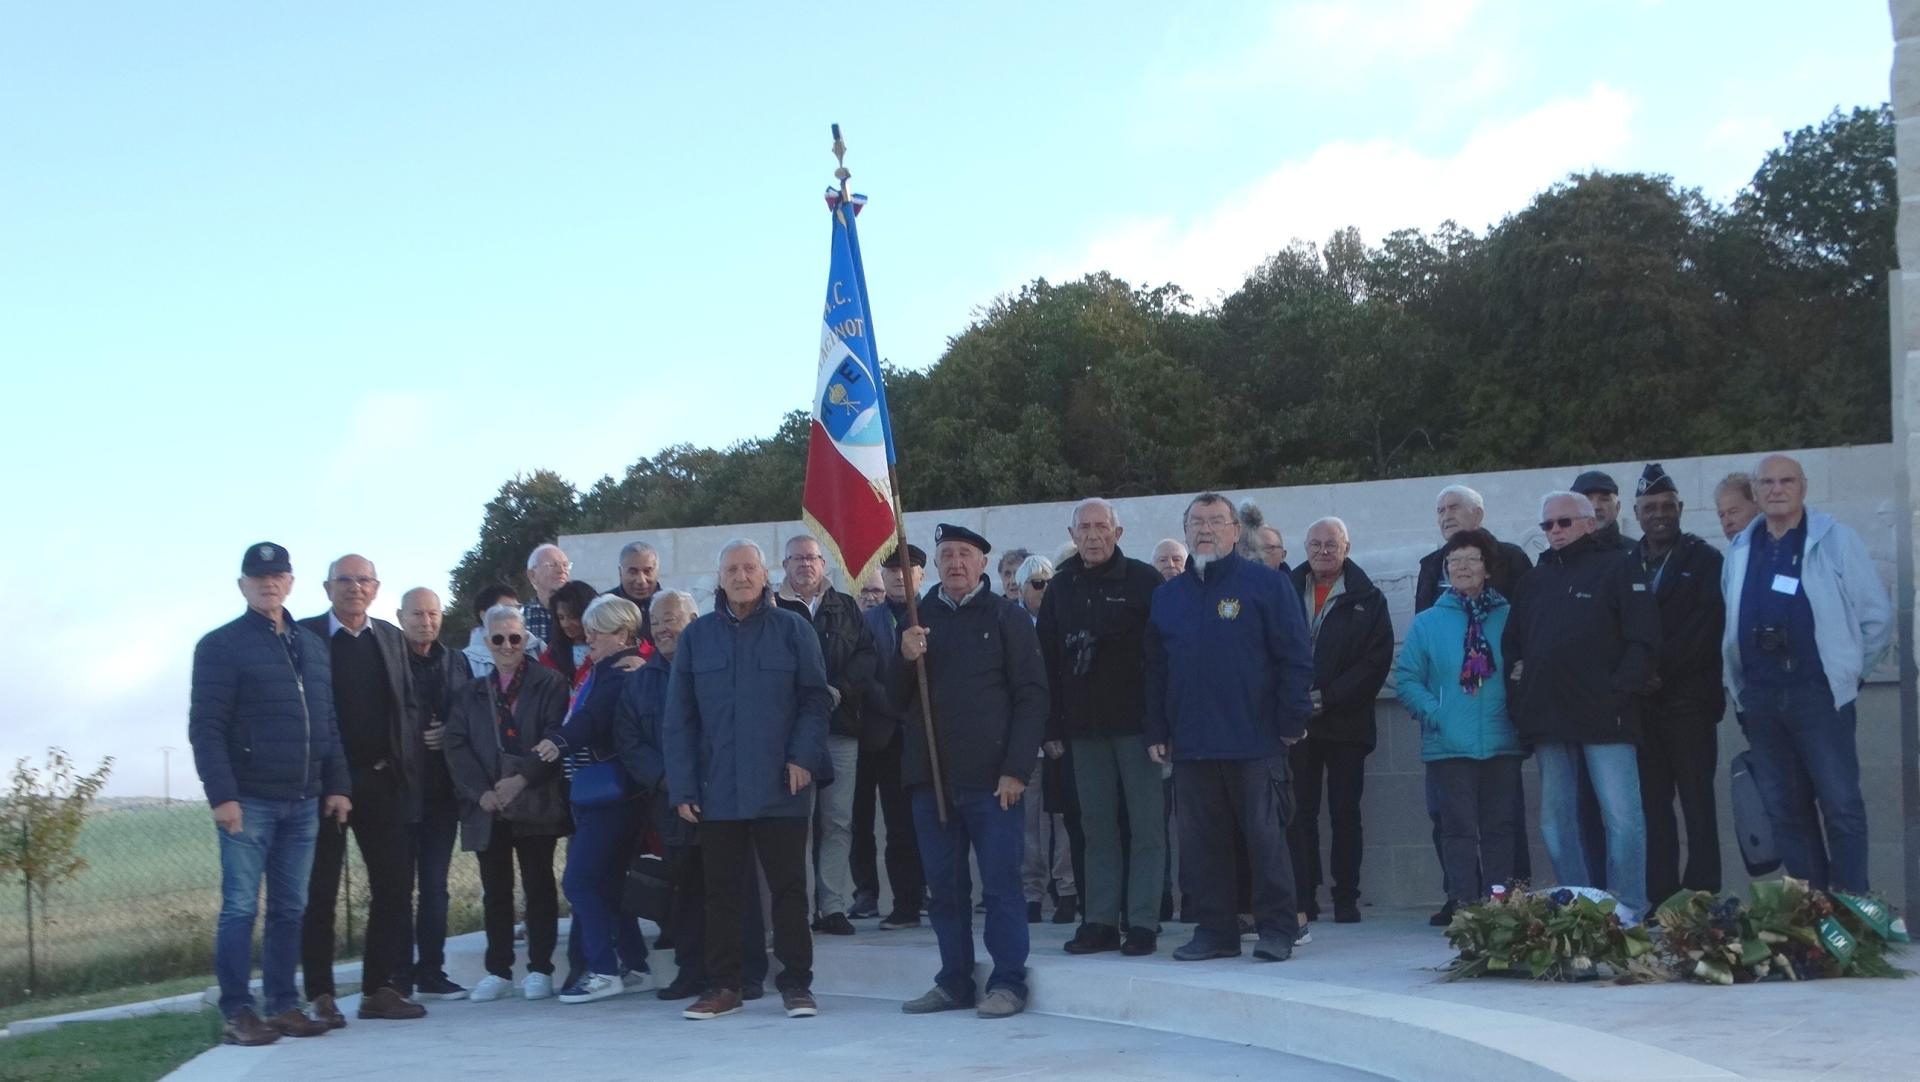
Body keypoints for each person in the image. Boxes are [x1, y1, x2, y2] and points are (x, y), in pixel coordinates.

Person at [666, 540, 831, 1022]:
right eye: (732, 569)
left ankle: (797, 985)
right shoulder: (696, 638)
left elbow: (815, 701)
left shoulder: (794, 630)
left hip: (783, 786)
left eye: (749, 568)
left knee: (789, 891)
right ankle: (724, 986)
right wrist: (684, 786)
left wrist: (804, 757)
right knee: (721, 893)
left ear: (765, 575)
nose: (741, 576)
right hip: (718, 790)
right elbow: (680, 719)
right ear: (720, 578)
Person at [190, 542, 347, 1046]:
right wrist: (222, 796)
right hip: (248, 801)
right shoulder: (220, 646)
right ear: (242, 585)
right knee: (239, 908)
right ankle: (238, 1012)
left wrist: (338, 785)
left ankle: (282, 1005)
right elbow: (206, 728)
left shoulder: (311, 645)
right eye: (258, 577)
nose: (268, 583)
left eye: (277, 575)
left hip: (303, 800)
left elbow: (328, 723)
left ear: (291, 582)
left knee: (289, 909)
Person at [1146, 492, 1313, 964]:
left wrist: (1291, 720)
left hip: (1256, 740)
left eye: (1216, 521)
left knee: (1266, 841)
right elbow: (1156, 670)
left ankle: (1277, 930)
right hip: (1193, 744)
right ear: (1185, 532)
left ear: (1235, 532)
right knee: (1202, 846)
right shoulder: (1167, 596)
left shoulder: (1266, 585)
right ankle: (1215, 931)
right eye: (1196, 522)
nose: (1205, 529)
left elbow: (1295, 658)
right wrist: (1157, 728)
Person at [895, 524, 1048, 1019]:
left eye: (965, 554)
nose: (956, 563)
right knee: (944, 889)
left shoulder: (1007, 618)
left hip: (993, 782)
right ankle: (954, 980)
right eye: (946, 555)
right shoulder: (918, 620)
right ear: (934, 565)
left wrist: (1016, 768)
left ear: (983, 563)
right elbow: (893, 700)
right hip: (933, 781)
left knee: (1002, 885)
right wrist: (903, 658)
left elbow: (1032, 697)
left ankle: (1007, 982)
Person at [1721, 454, 1891, 892]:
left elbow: (1876, 618)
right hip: (1761, 699)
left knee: (1841, 806)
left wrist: (1848, 677)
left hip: (1817, 697)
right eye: (1767, 483)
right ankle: (1811, 919)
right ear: (1755, 492)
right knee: (1785, 811)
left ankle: (1852, 913)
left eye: (1786, 481)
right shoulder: (1740, 549)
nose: (1777, 489)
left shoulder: (1835, 540)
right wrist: (1741, 692)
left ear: (1803, 487)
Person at [1503, 492, 1658, 923]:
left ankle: (1628, 905)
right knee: (1556, 821)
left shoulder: (1620, 566)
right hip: (1548, 718)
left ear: (1590, 523)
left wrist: (1617, 692)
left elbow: (1643, 639)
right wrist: (1521, 699)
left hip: (1606, 716)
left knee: (1622, 816)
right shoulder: (1534, 580)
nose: (1554, 531)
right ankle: (1578, 904)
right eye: (1547, 525)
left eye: (1564, 522)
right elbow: (1513, 647)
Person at [618, 590, 771, 1002]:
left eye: (674, 619)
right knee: (685, 892)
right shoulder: (639, 683)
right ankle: (692, 972)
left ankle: (749, 972)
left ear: (694, 620)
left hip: (722, 797)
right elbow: (630, 741)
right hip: (673, 803)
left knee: (737, 887)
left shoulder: (717, 668)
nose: (665, 628)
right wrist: (670, 780)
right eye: (658, 621)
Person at [298, 554, 426, 1024]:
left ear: (376, 588)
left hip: (380, 780)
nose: (355, 588)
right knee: (321, 891)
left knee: (394, 885)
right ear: (327, 587)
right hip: (323, 784)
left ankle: (379, 989)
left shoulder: (390, 639)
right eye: (345, 580)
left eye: (363, 580)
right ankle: (321, 995)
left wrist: (402, 765)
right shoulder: (304, 636)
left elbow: (407, 707)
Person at [1038, 499, 1165, 957]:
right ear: (1072, 535)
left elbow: (1161, 661)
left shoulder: (1145, 583)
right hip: (1082, 731)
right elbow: (1047, 660)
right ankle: (1100, 921)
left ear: (1119, 532)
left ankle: (1144, 922)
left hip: (1138, 730)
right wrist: (1050, 726)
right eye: (1084, 528)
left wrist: (1160, 726)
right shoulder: (1060, 587)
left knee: (1147, 827)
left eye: (1101, 527)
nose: (1093, 536)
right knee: (1096, 829)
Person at [442, 603, 570, 1002]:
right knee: (495, 889)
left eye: (515, 638)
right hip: (489, 805)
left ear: (525, 640)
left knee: (539, 885)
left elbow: (554, 735)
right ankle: (497, 970)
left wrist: (521, 779)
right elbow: (455, 744)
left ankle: (540, 968)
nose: (507, 645)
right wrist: (481, 791)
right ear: (485, 640)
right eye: (498, 638)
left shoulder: (550, 683)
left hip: (535, 800)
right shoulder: (471, 692)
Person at [1393, 528, 1523, 915]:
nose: (1463, 568)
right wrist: (1437, 714)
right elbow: (1407, 678)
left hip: (1502, 740)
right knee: (1458, 831)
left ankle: (1500, 908)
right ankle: (1465, 906)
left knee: (1501, 831)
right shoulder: (1428, 622)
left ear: (1488, 567)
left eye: (1471, 559)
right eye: (1455, 561)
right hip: (1449, 742)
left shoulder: (1510, 616)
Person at [532, 595, 654, 1004]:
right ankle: (634, 964)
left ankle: (603, 970)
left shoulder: (618, 673)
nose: (588, 637)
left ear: (621, 633)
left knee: (581, 881)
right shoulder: (607, 668)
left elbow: (593, 718)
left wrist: (558, 741)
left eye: (597, 630)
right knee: (607, 882)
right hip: (610, 793)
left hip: (610, 795)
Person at [1287, 517, 1392, 932]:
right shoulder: (1286, 589)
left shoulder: (1369, 597)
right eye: (1315, 543)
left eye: (1332, 544)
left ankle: (1346, 895)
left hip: (1346, 723)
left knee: (1345, 812)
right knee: (1300, 813)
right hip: (1296, 724)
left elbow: (1375, 661)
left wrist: (1326, 697)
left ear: (1346, 548)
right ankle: (1304, 894)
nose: (1323, 551)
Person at [1630, 463, 1726, 902]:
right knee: (1653, 808)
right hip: (1642, 708)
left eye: (1667, 506)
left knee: (1697, 803)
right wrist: (1635, 676)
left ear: (1681, 508)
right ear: (1637, 513)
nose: (1659, 514)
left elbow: (1706, 629)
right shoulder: (1626, 562)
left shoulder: (1705, 560)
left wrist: (1656, 671)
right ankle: (1662, 897)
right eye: (1650, 507)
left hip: (1689, 701)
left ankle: (1702, 896)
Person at [775, 533, 878, 937]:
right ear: (784, 565)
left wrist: (839, 690)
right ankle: (798, 909)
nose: (804, 564)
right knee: (797, 823)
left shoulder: (845, 606)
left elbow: (866, 657)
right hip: (792, 734)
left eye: (812, 558)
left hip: (840, 728)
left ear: (824, 564)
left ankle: (832, 906)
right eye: (796, 558)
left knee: (838, 821)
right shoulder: (772, 607)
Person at [393, 587, 469, 1001]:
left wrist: (450, 732)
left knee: (436, 887)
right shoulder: (387, 660)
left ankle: (432, 971)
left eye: (433, 613)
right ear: (400, 616)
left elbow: (471, 714)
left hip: (442, 793)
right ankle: (399, 974)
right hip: (398, 792)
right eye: (418, 614)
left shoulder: (456, 662)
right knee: (398, 888)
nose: (426, 621)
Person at [854, 545, 929, 931]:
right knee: (898, 826)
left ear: (921, 575)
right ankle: (905, 904)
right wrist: (899, 708)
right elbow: (866, 676)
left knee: (934, 821)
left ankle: (936, 894)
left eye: (910, 568)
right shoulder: (868, 623)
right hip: (887, 736)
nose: (901, 575)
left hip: (932, 736)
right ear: (882, 578)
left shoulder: (934, 613)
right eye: (892, 570)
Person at [1017, 554, 1077, 926]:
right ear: (1022, 589)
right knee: (1028, 823)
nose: (1044, 590)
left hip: (1061, 736)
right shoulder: (1012, 623)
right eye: (1037, 584)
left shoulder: (1064, 620)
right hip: (1026, 743)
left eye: (1049, 583)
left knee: (1064, 821)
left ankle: (1067, 890)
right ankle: (1031, 894)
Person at [1413, 485, 1534, 614]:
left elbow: (1530, 614)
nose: (1446, 517)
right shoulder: (1430, 564)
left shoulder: (1512, 558)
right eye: (1441, 511)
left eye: (1454, 508)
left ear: (1477, 515)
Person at [541, 580, 609, 692]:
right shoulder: (552, 654)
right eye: (561, 617)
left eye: (572, 616)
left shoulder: (607, 647)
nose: (566, 624)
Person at [463, 584, 542, 677]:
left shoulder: (537, 647)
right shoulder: (465, 660)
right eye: (506, 609)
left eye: (518, 609)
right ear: (484, 616)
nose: (513, 614)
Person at [606, 540, 663, 645]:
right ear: (620, 572)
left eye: (647, 571)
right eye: (633, 572)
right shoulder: (604, 606)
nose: (641, 580)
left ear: (657, 571)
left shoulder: (671, 605)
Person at [1573, 470, 1635, 552]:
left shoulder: (1636, 553)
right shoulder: (1559, 557)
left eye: (1604, 499)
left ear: (1617, 508)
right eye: (1586, 500)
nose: (1596, 507)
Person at [523, 543, 571, 645]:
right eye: (552, 565)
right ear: (532, 575)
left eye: (565, 565)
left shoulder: (582, 610)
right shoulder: (521, 618)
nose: (561, 570)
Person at [1236, 500, 1287, 573]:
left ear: (1283, 555)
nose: (1260, 554)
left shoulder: (1293, 582)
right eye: (1252, 549)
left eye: (1268, 548)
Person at [1715, 473, 1761, 542]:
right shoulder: (1732, 551)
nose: (1726, 523)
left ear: (1758, 507)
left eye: (1733, 512)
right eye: (1722, 515)